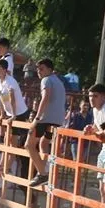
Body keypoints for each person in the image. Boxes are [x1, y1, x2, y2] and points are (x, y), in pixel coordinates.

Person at [27, 58, 66, 187]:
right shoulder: (59, 82)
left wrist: (36, 118)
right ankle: (45, 171)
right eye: (38, 69)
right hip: (57, 120)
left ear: (50, 69)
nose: (39, 71)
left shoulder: (46, 80)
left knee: (29, 145)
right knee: (44, 143)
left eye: (41, 69)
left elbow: (45, 98)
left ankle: (43, 174)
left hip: (45, 119)